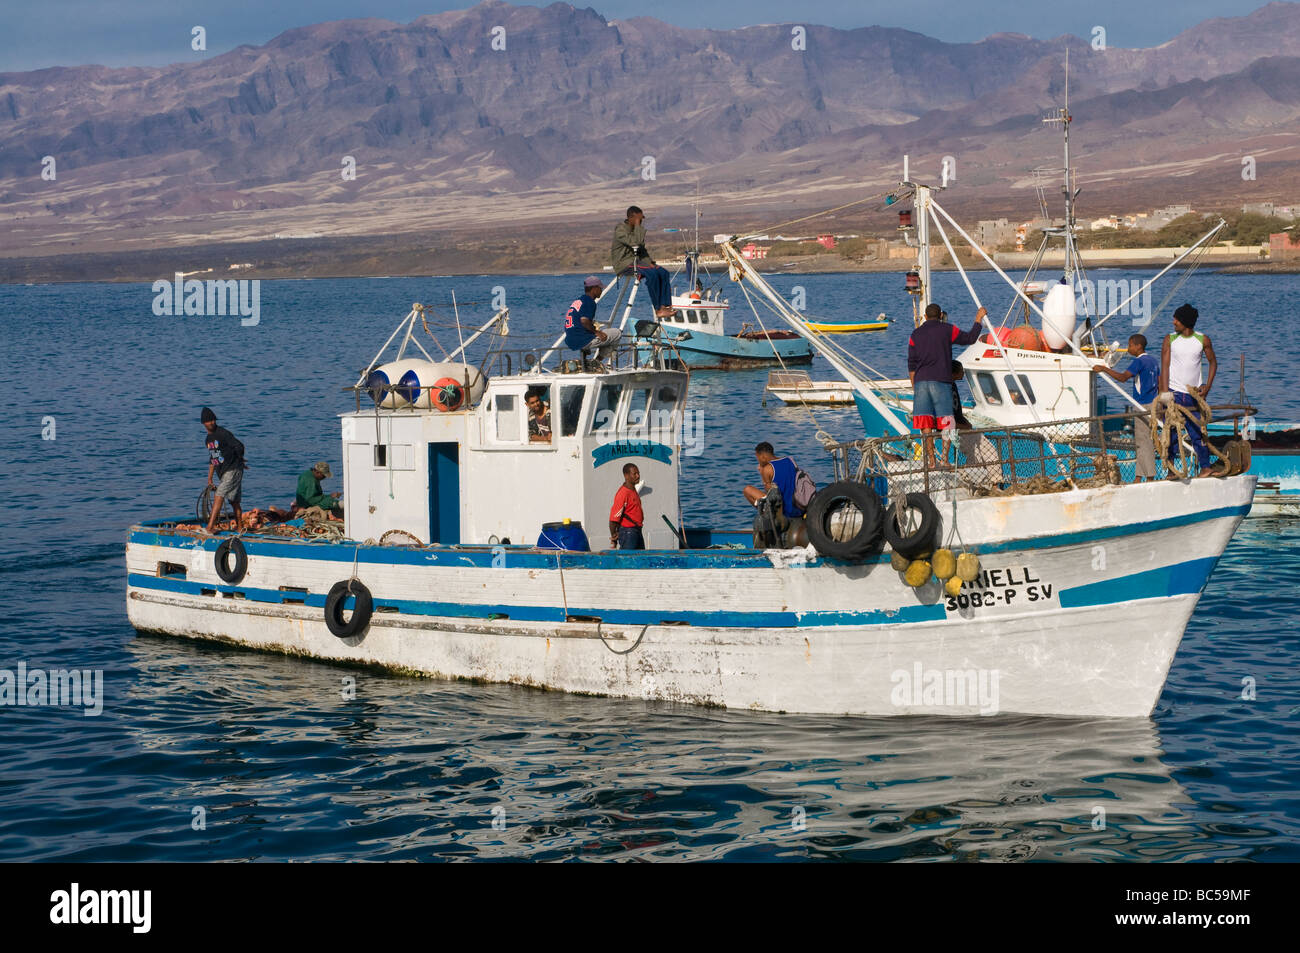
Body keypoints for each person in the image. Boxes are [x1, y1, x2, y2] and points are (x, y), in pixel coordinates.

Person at [908, 303, 987, 468]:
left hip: (921, 382)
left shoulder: (915, 334)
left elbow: (911, 364)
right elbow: (970, 338)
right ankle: (944, 460)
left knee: (926, 424)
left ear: (925, 317)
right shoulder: (947, 329)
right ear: (941, 316)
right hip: (940, 382)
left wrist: (915, 386)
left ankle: (931, 462)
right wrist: (978, 319)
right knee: (947, 422)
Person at [1159, 303, 1217, 478]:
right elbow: (1165, 366)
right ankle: (1172, 470)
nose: (1173, 322)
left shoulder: (1203, 340)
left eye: (1176, 319)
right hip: (1173, 393)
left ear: (1185, 321)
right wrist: (1164, 394)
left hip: (1193, 395)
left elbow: (1213, 363)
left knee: (1197, 433)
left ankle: (1206, 468)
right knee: (1171, 433)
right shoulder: (1169, 339)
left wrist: (1207, 386)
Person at [1092, 333, 1159, 481]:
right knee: (1142, 441)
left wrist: (1104, 369)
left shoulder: (1139, 361)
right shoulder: (1153, 361)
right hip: (1154, 404)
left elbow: (1123, 378)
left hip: (1142, 405)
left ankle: (1149, 477)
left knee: (1144, 443)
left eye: (1130, 345)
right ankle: (1138, 476)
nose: (1128, 348)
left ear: (1138, 346)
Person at [611, 206, 677, 318]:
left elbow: (641, 250)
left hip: (637, 261)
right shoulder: (621, 230)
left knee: (663, 272)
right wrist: (637, 225)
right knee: (652, 273)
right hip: (623, 263)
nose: (641, 221)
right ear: (631, 218)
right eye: (639, 219)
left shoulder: (635, 230)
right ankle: (658, 309)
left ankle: (665, 306)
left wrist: (649, 262)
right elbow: (636, 242)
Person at [201, 407, 245, 534]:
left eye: (213, 420)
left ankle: (210, 527)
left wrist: (240, 459)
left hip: (233, 469)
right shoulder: (208, 439)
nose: (212, 423)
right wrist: (210, 478)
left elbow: (239, 446)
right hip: (224, 472)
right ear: (204, 423)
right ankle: (240, 527)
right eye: (209, 421)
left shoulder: (223, 433)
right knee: (233, 501)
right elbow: (214, 458)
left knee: (219, 494)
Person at [564, 276, 621, 364]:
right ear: (594, 289)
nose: (601, 291)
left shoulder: (578, 301)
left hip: (570, 340)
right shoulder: (589, 301)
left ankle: (585, 361)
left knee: (600, 333)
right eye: (600, 288)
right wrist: (597, 332)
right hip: (582, 340)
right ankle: (596, 362)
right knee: (617, 333)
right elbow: (584, 321)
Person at [742, 442, 804, 519]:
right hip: (798, 505)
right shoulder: (789, 460)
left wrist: (762, 473)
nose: (758, 462)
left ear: (763, 457)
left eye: (758, 458)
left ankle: (768, 517)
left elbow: (769, 494)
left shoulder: (767, 468)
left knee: (747, 490)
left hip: (785, 509)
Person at [609, 463, 645, 549]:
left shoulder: (632, 490)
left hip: (637, 530)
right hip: (628, 533)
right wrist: (614, 537)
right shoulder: (623, 494)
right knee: (628, 561)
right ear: (626, 476)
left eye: (638, 473)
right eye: (634, 474)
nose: (638, 476)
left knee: (640, 559)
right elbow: (613, 520)